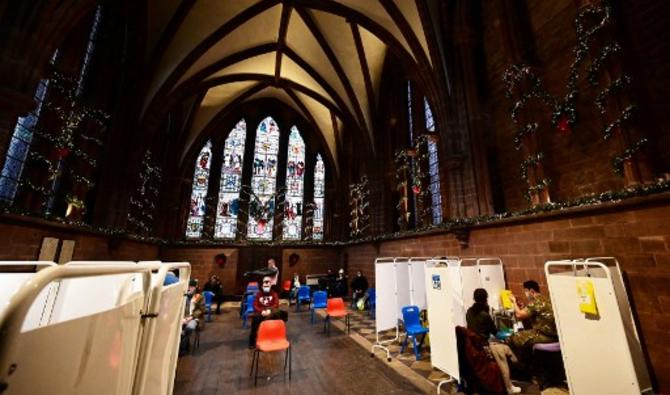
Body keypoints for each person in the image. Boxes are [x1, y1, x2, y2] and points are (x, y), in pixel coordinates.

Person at [466, 288, 521, 395]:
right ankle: (509, 385)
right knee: (504, 349)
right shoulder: (485, 315)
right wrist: (509, 334)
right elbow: (496, 333)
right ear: (486, 299)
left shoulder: (469, 311)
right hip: (484, 346)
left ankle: (513, 370)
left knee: (504, 349)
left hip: (474, 345)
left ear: (474, 298)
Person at [507, 280, 558, 368]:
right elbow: (531, 314)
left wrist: (513, 302)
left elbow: (519, 315)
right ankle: (529, 364)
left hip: (545, 335)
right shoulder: (546, 299)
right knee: (524, 336)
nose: (525, 294)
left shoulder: (536, 302)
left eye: (526, 291)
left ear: (531, 291)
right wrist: (522, 308)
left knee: (514, 337)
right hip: (554, 334)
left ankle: (520, 367)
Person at [248, 276, 288, 349]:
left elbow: (276, 304)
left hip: (271, 311)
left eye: (268, 286)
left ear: (270, 286)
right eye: (265, 286)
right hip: (261, 312)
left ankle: (276, 337)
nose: (266, 287)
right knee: (255, 319)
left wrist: (269, 310)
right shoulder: (258, 294)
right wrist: (262, 311)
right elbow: (255, 305)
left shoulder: (274, 294)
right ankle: (252, 341)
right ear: (262, 286)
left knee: (280, 313)